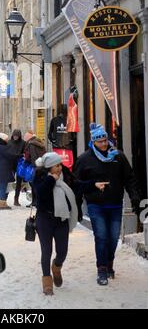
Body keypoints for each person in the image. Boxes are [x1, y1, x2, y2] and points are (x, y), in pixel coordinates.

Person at [74, 123, 141, 286]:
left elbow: (129, 178)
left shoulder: (118, 157)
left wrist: (134, 197)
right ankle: (101, 269)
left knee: (112, 238)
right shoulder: (84, 159)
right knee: (101, 237)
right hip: (96, 205)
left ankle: (109, 263)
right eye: (100, 141)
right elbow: (76, 183)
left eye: (105, 140)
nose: (104, 144)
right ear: (93, 142)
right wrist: (77, 207)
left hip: (115, 204)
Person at [33, 152, 78, 296]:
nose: (59, 168)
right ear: (48, 167)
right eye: (55, 166)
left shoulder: (66, 177)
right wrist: (51, 180)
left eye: (60, 165)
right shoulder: (40, 178)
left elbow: (78, 185)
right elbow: (40, 194)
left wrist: (93, 184)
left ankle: (57, 266)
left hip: (61, 221)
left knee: (62, 252)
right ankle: (47, 281)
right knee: (46, 251)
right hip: (44, 219)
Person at [0, 132, 20, 210]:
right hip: (3, 171)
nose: (8, 141)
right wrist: (20, 156)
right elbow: (11, 155)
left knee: (1, 186)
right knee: (3, 187)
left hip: (0, 170)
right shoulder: (2, 147)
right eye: (7, 139)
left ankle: (2, 203)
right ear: (3, 140)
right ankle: (2, 204)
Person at [23, 130, 46, 207]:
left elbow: (33, 157)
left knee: (34, 185)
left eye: (25, 136)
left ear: (29, 137)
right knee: (37, 185)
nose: (24, 138)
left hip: (35, 167)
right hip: (42, 166)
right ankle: (36, 202)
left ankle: (35, 202)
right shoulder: (38, 142)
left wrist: (29, 163)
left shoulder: (31, 144)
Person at [8, 129, 26, 206]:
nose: (15, 137)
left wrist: (20, 156)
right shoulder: (9, 142)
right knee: (8, 181)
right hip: (11, 164)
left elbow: (24, 153)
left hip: (19, 164)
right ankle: (3, 199)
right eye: (14, 136)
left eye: (17, 136)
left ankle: (16, 199)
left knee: (19, 182)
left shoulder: (23, 143)